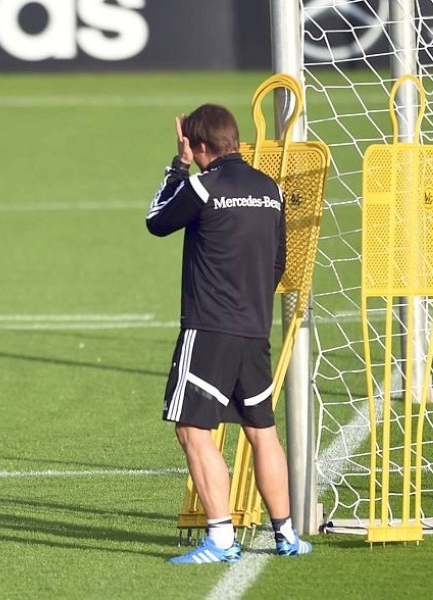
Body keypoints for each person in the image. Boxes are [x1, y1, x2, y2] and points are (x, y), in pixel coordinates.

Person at [146, 104, 311, 563]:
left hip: (209, 330)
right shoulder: (270, 189)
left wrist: (176, 166)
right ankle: (287, 535)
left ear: (199, 147)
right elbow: (278, 264)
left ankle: (220, 538)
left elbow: (156, 221)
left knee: (192, 430)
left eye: (191, 149)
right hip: (254, 330)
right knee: (262, 431)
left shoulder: (203, 185)